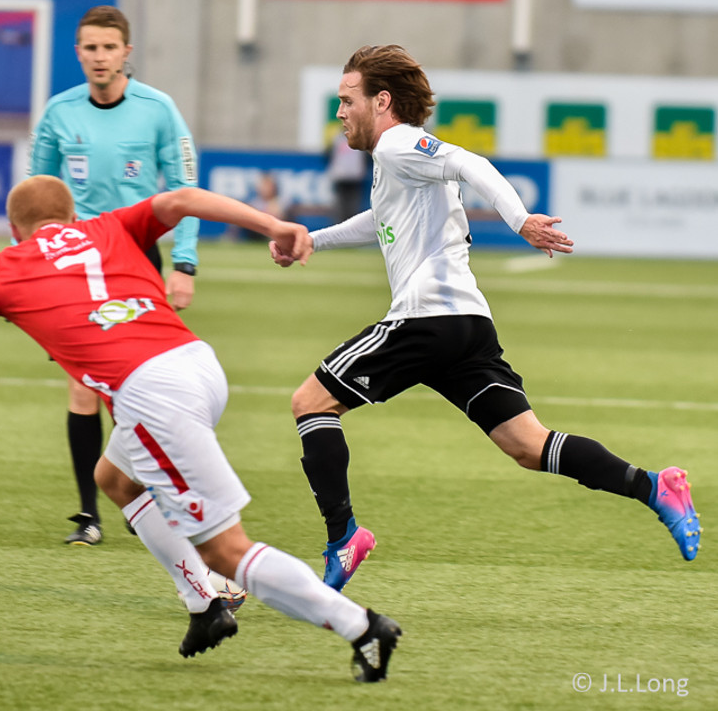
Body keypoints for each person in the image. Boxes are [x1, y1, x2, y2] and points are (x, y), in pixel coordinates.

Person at [0, 176, 402, 682]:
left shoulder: (5, 268)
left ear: (16, 229)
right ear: (71, 215)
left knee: (225, 550)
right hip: (197, 363)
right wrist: (272, 224)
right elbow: (183, 199)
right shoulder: (107, 226)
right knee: (114, 477)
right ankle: (204, 607)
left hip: (152, 394)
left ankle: (363, 628)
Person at [270, 45, 702, 591]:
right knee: (528, 445)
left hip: (425, 319)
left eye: (346, 100)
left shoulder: (399, 144)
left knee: (310, 403)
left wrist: (519, 220)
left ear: (381, 101)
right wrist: (313, 239)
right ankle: (654, 487)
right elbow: (380, 220)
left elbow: (467, 162)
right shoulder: (396, 162)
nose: (339, 112)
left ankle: (343, 537)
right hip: (467, 324)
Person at [28, 6, 200, 545]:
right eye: (90, 48)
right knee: (82, 385)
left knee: (142, 386)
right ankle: (89, 516)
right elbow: (34, 201)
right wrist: (30, 272)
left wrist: (185, 263)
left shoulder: (158, 109)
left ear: (126, 52)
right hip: (77, 264)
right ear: (78, 52)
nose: (100, 57)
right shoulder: (59, 112)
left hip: (137, 260)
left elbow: (184, 187)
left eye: (109, 48)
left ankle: (149, 494)